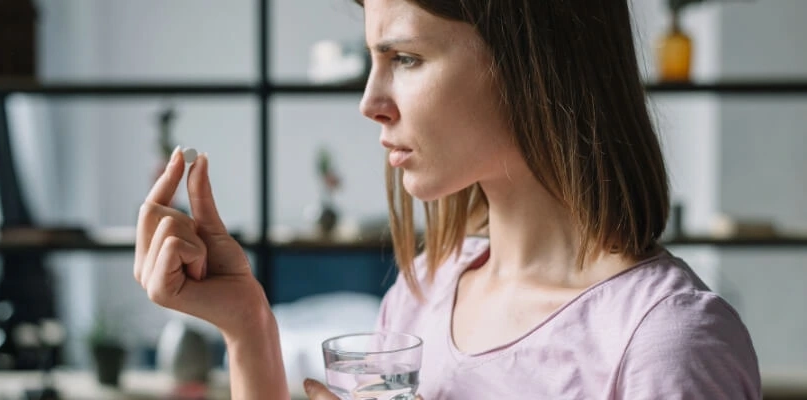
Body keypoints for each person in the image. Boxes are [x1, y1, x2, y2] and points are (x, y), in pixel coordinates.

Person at [134, 0, 763, 398]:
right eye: (372, 60)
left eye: (405, 57)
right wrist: (248, 326)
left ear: (531, 63)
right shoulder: (422, 294)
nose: (370, 101)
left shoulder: (666, 343)